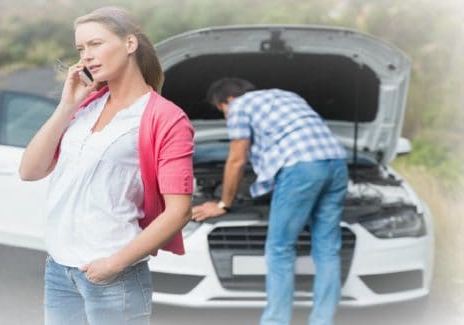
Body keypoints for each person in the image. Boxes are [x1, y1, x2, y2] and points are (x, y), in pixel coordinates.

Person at [18, 6, 194, 325]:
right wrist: (66, 105)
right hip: (60, 271)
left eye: (95, 44)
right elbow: (29, 170)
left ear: (129, 44)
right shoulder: (86, 106)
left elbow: (178, 211)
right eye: (81, 49)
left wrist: (114, 264)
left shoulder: (166, 119)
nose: (86, 56)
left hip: (113, 276)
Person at [191, 78, 348, 325]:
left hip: (301, 168)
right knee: (328, 249)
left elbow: (236, 160)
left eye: (222, 111)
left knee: (280, 249)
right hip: (337, 164)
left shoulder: (239, 106)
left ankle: (275, 321)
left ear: (228, 101)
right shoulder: (288, 95)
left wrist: (223, 204)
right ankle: (322, 320)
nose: (226, 116)